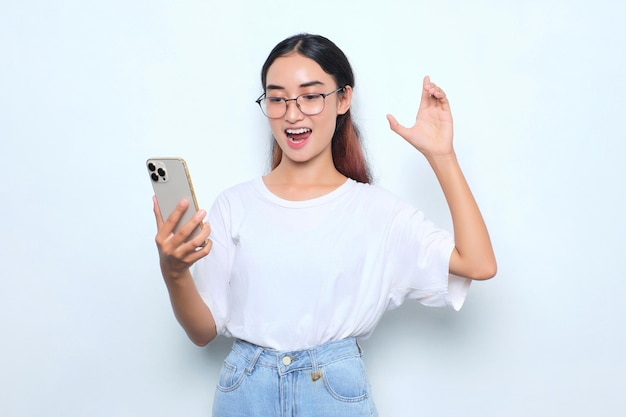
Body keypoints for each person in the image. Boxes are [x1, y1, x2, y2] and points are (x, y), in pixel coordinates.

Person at [152, 33, 496, 417]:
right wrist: (175, 271)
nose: (292, 114)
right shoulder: (235, 204)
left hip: (332, 393)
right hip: (245, 391)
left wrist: (442, 155)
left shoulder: (377, 211)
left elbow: (478, 264)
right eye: (277, 98)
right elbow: (203, 332)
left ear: (343, 99)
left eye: (311, 96)